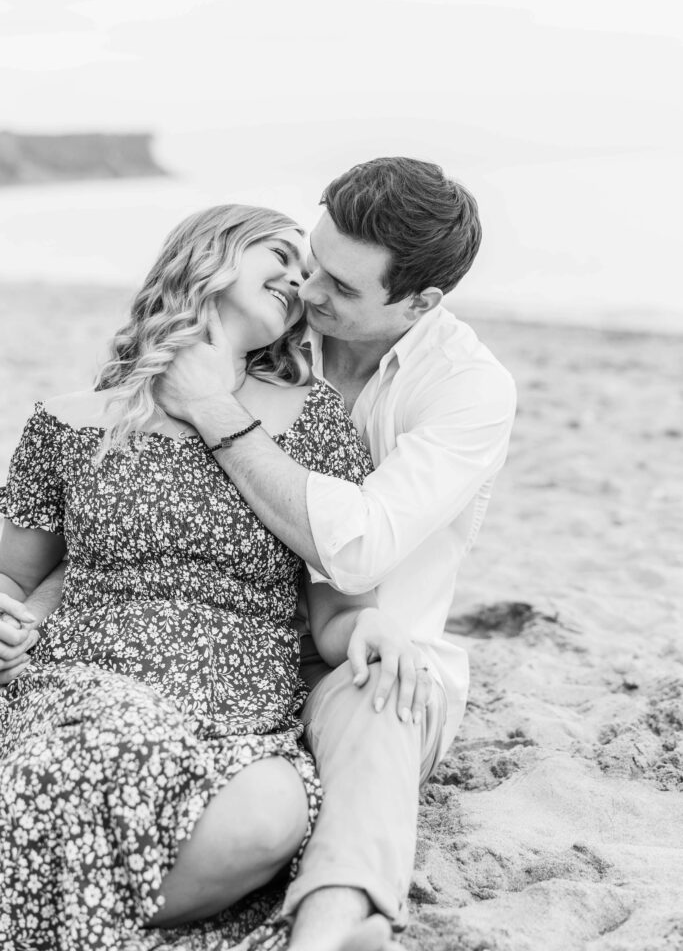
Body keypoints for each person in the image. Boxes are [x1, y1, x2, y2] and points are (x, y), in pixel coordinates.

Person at [0, 204, 428, 951]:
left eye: (307, 270)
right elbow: (11, 575)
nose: (299, 277)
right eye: (281, 253)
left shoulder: (318, 424)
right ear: (207, 255)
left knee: (273, 810)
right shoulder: (66, 423)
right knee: (99, 749)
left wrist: (374, 626)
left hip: (240, 714)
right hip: (88, 687)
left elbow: (337, 607)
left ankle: (44, 908)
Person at [156, 156, 517, 951]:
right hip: (204, 639)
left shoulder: (467, 390)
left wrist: (219, 415)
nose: (309, 294)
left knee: (385, 700)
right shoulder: (263, 326)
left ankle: (334, 926)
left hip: (360, 648)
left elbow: (355, 550)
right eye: (313, 264)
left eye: (342, 289)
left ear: (419, 302)